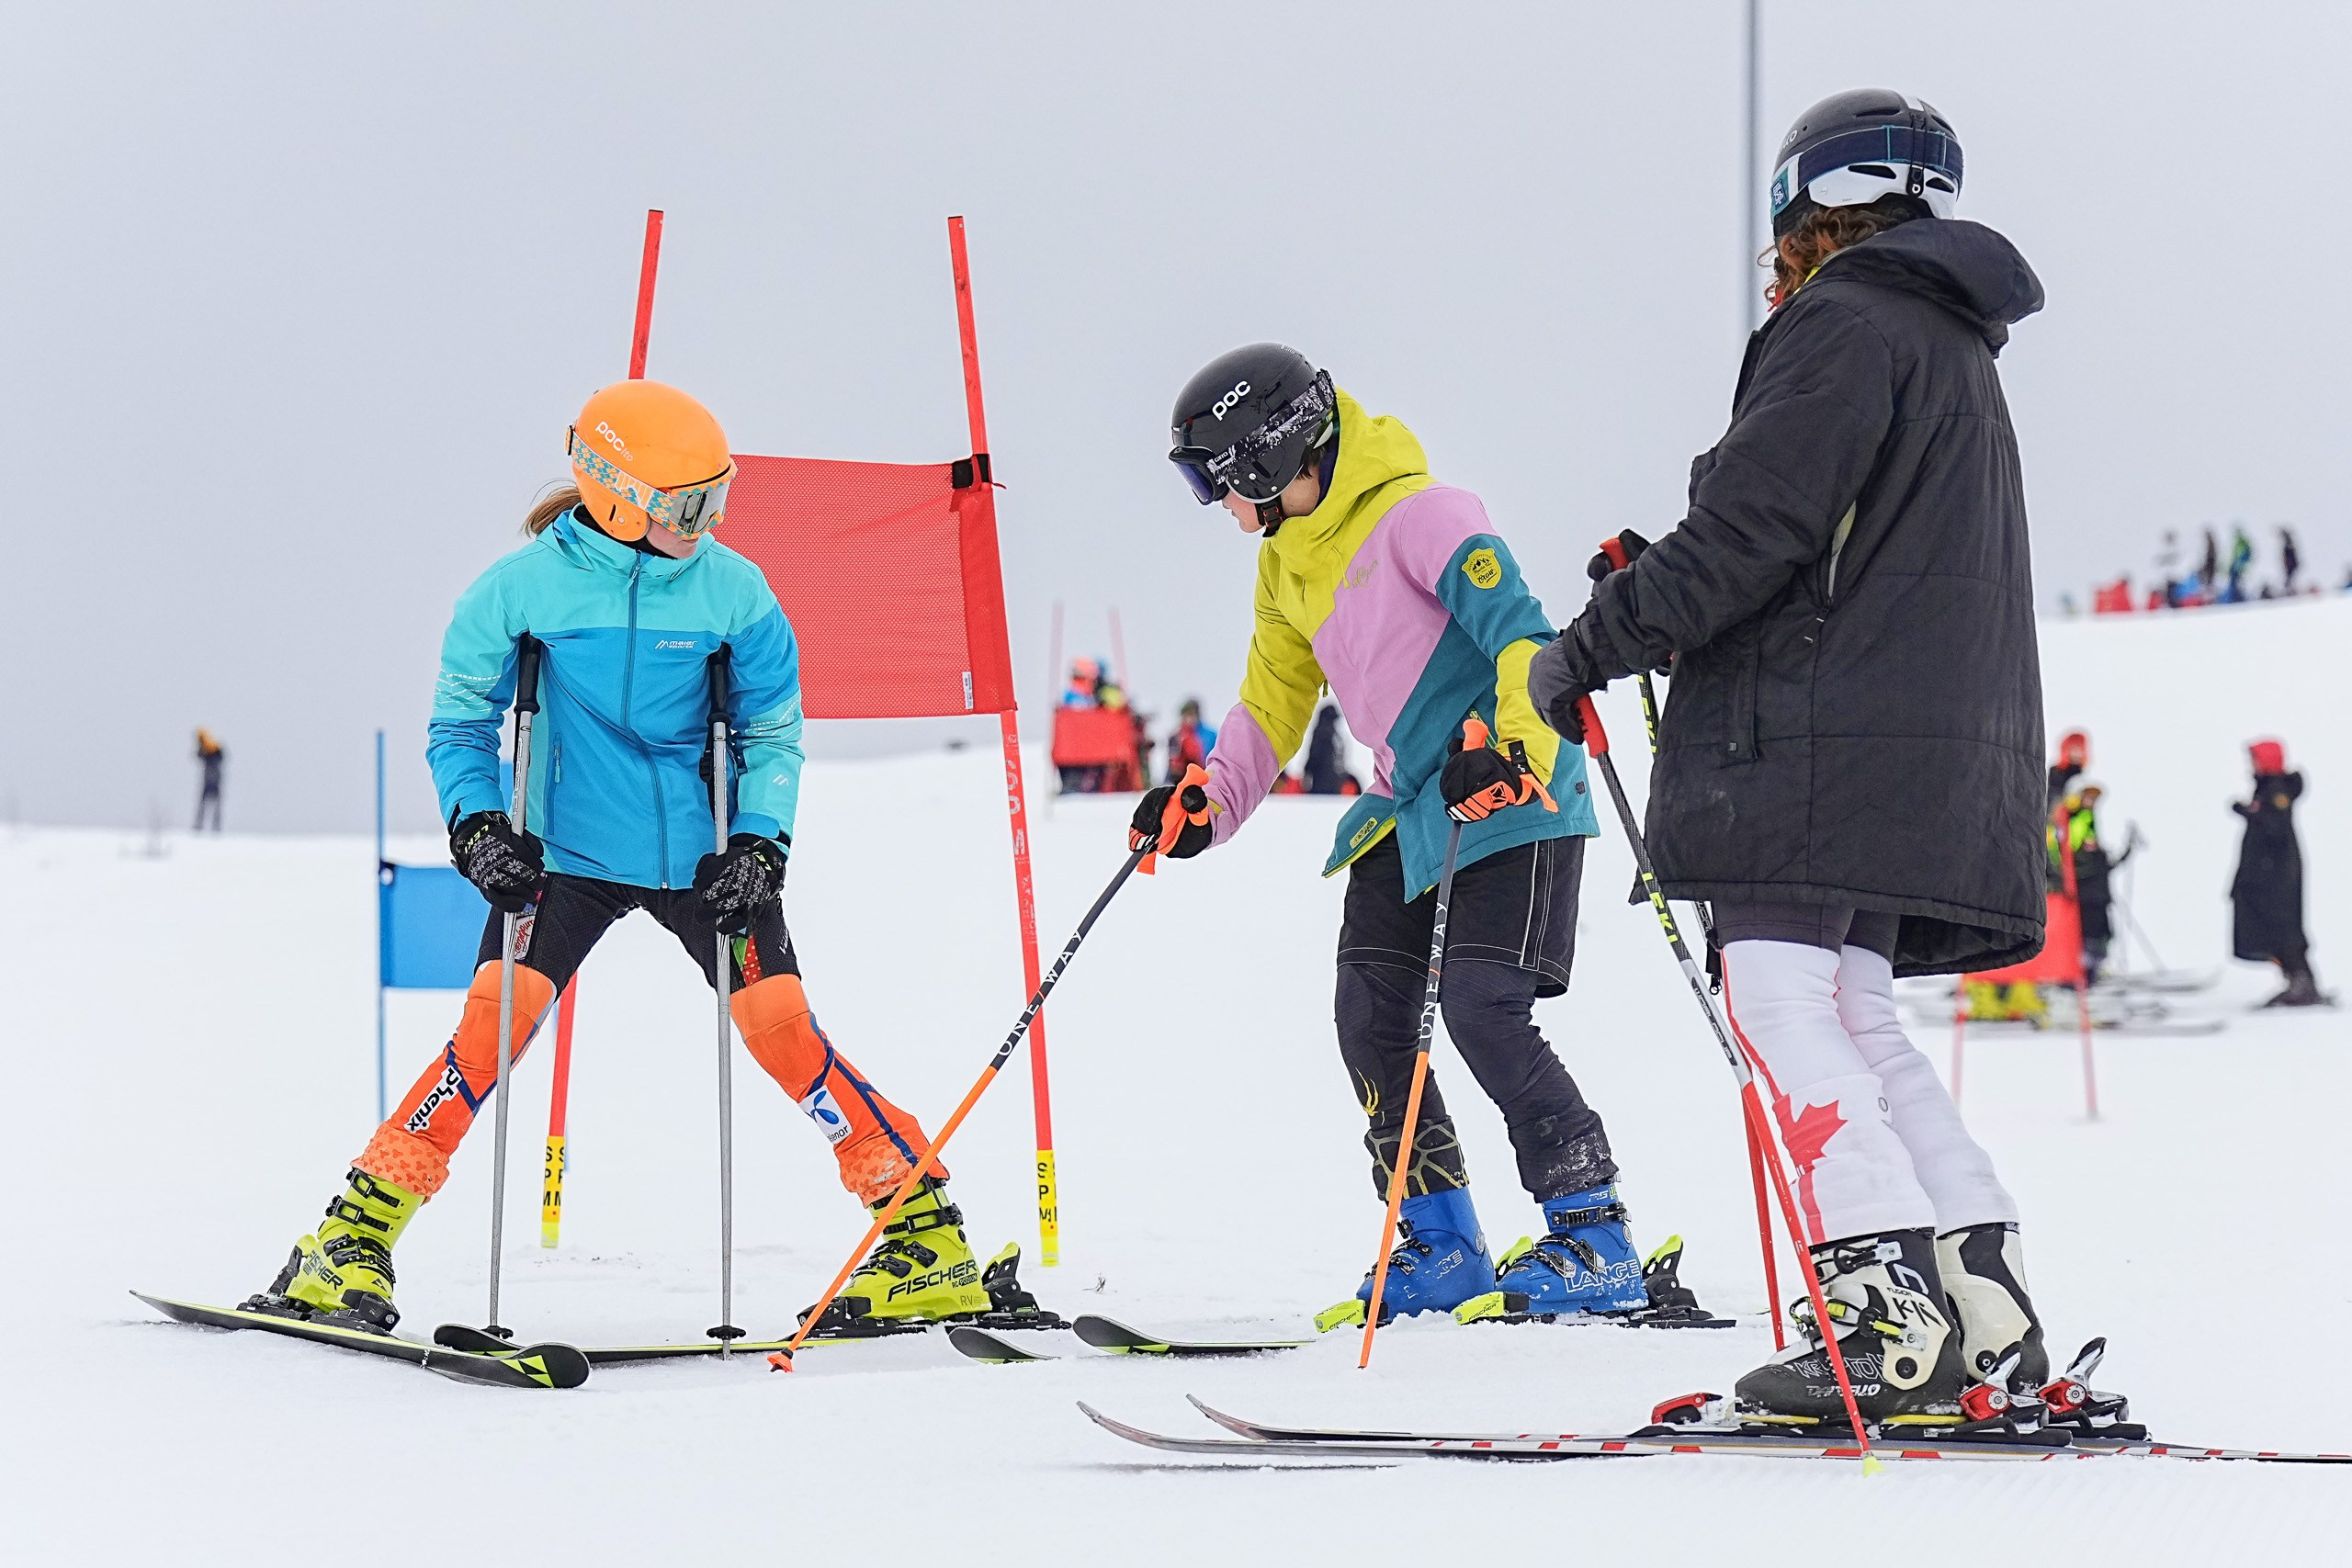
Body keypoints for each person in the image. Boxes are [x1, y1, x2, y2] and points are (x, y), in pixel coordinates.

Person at [247, 380, 990, 1336]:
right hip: (563, 853)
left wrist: (762, 843)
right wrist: (478, 827)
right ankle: (350, 1239)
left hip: (704, 856)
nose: (708, 522)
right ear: (616, 495)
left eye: (719, 498)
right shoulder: (518, 590)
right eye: (689, 505)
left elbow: (770, 728)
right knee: (489, 1032)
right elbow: (461, 722)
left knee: (784, 1031)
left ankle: (923, 1235)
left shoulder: (736, 591)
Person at [1530, 91, 2053, 1422]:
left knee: (1779, 1002)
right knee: (1856, 1014)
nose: (1776, 267)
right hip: (1915, 750)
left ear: (1813, 210)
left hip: (1816, 741)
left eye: (1782, 236)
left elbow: (1758, 532)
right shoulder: (1951, 346)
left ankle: (1882, 1317)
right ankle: (1979, 1307)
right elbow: (1829, 543)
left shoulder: (1842, 325)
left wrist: (1596, 638)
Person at [1148, 342, 1654, 1327]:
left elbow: (1523, 636)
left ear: (1267, 453)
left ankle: (1595, 1238)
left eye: (1217, 481)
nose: (1217, 505)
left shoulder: (1422, 514)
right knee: (1369, 1014)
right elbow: (1271, 703)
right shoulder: (1283, 562)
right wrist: (1208, 802)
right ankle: (1442, 1243)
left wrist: (1508, 748)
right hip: (1405, 807)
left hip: (1510, 785)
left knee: (1479, 1006)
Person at [2233, 739, 2325, 1008]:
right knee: (2277, 927)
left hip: (2274, 875)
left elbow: (2274, 827)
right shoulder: (2268, 789)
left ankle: (2301, 982)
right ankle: (2299, 980)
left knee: (2281, 926)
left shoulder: (2275, 790)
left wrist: (2249, 814)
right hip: (2269, 873)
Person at [2059, 784, 2131, 983]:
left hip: (2097, 892)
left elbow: (2095, 857)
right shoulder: (2075, 818)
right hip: (2086, 893)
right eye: (2088, 797)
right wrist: (2092, 857)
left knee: (2103, 932)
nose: (2092, 802)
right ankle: (2084, 975)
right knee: (2089, 934)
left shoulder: (2085, 818)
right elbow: (2072, 850)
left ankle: (2093, 971)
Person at [1301, 704, 1358, 795]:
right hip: (1325, 780)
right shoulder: (1326, 734)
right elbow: (1314, 755)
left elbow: (1313, 756)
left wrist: (1307, 771)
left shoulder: (1332, 733)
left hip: (1330, 780)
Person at [1163, 698, 1216, 784]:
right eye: (1186, 715)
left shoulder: (1210, 735)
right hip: (1182, 781)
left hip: (1205, 779)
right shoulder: (1176, 736)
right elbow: (1171, 765)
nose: (1188, 719)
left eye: (1191, 714)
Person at [193, 728, 225, 831]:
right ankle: (204, 825)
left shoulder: (212, 746)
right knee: (207, 803)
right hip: (209, 779)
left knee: (211, 803)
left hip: (213, 779)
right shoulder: (207, 747)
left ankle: (213, 826)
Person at [2279, 525, 2301, 593]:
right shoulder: (2289, 543)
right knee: (2290, 578)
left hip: (2291, 564)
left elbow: (2291, 555)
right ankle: (2290, 589)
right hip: (2291, 564)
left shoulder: (2288, 544)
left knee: (2290, 578)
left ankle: (2290, 590)